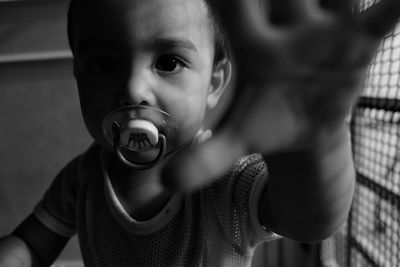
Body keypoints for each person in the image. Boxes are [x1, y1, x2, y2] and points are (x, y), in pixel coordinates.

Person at [1, 0, 400, 266]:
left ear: (213, 83)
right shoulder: (81, 179)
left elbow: (310, 221)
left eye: (169, 61)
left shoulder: (225, 182)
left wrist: (313, 146)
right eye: (104, 64)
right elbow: (32, 246)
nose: (134, 90)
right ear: (78, 75)